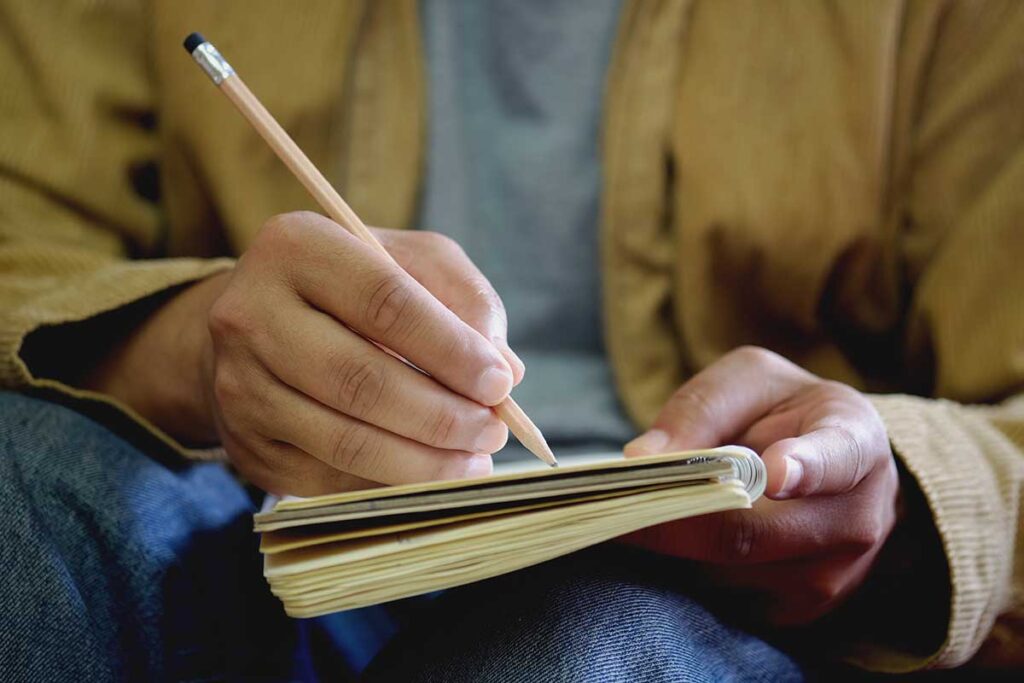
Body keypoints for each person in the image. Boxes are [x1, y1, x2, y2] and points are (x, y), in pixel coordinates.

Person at [1, 0, 1021, 680]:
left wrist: (896, 501)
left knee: (578, 647)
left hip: (687, 581)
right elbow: (22, 240)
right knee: (18, 493)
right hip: (238, 498)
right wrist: (190, 348)